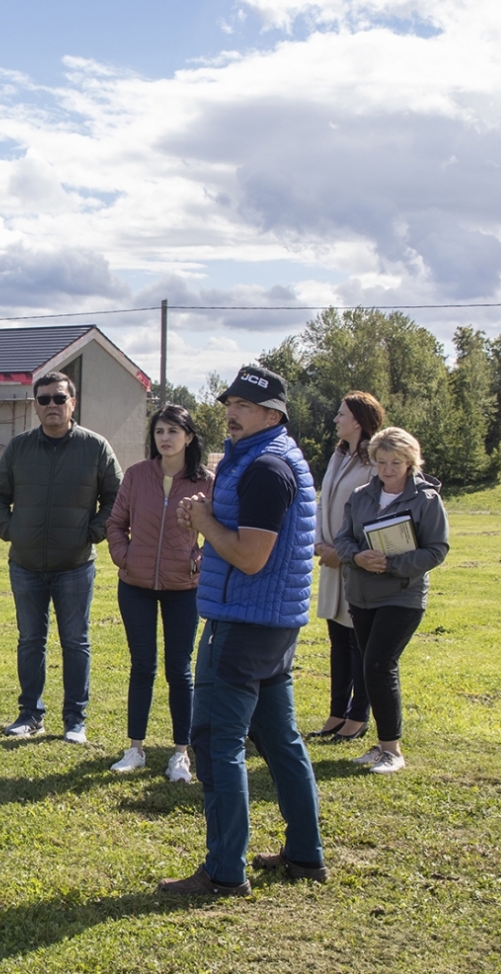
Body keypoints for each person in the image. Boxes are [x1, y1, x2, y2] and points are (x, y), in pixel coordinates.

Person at [159, 365, 326, 896]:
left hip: (244, 626)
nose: (230, 413)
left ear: (273, 415)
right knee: (279, 739)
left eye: (244, 407)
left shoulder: (266, 468)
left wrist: (206, 524)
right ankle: (304, 855)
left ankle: (225, 871)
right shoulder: (266, 459)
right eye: (230, 402)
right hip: (271, 624)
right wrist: (210, 538)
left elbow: (252, 558)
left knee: (215, 742)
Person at [0, 371, 122, 742]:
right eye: (43, 400)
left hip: (75, 566)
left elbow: (116, 498)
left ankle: (75, 720)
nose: (51, 406)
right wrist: (10, 530)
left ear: (72, 403)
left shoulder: (95, 448)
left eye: (58, 399)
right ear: (35, 406)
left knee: (75, 641)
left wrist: (93, 532)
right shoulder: (19, 447)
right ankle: (30, 714)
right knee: (31, 641)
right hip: (26, 564)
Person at [334, 427, 449, 774]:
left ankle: (392, 751)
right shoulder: (359, 496)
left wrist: (392, 565)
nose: (387, 469)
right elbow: (343, 541)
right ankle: (382, 745)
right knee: (370, 668)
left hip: (402, 596)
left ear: (411, 462)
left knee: (379, 666)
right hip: (361, 595)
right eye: (381, 462)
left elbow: (437, 549)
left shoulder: (427, 500)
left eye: (396, 462)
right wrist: (357, 557)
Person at [104, 405, 210, 782]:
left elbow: (217, 533)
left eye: (173, 431)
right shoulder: (136, 475)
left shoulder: (205, 482)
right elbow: (115, 523)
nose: (165, 438)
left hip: (184, 588)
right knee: (142, 666)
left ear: (189, 437)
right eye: (159, 431)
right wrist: (125, 557)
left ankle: (181, 753)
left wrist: (197, 559)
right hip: (135, 586)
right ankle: (135, 748)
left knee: (180, 670)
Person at [310, 391, 384, 740]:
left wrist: (345, 551)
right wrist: (320, 544)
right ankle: (336, 712)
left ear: (357, 419)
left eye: (341, 414)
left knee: (359, 641)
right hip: (331, 560)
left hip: (356, 564)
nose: (336, 420)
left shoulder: (375, 461)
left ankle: (358, 715)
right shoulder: (339, 455)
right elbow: (324, 504)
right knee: (338, 639)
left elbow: (376, 515)